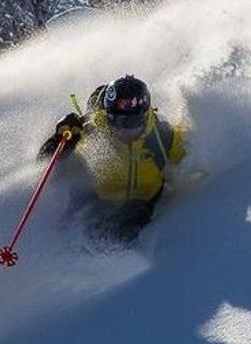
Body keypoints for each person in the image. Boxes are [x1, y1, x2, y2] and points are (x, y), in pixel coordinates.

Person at [38, 75, 186, 246]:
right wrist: (59, 142)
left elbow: (195, 151)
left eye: (136, 120)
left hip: (142, 210)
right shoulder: (91, 136)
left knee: (134, 213)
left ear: (146, 115)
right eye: (121, 121)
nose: (128, 129)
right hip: (94, 205)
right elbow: (46, 170)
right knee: (78, 227)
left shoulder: (164, 139)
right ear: (108, 117)